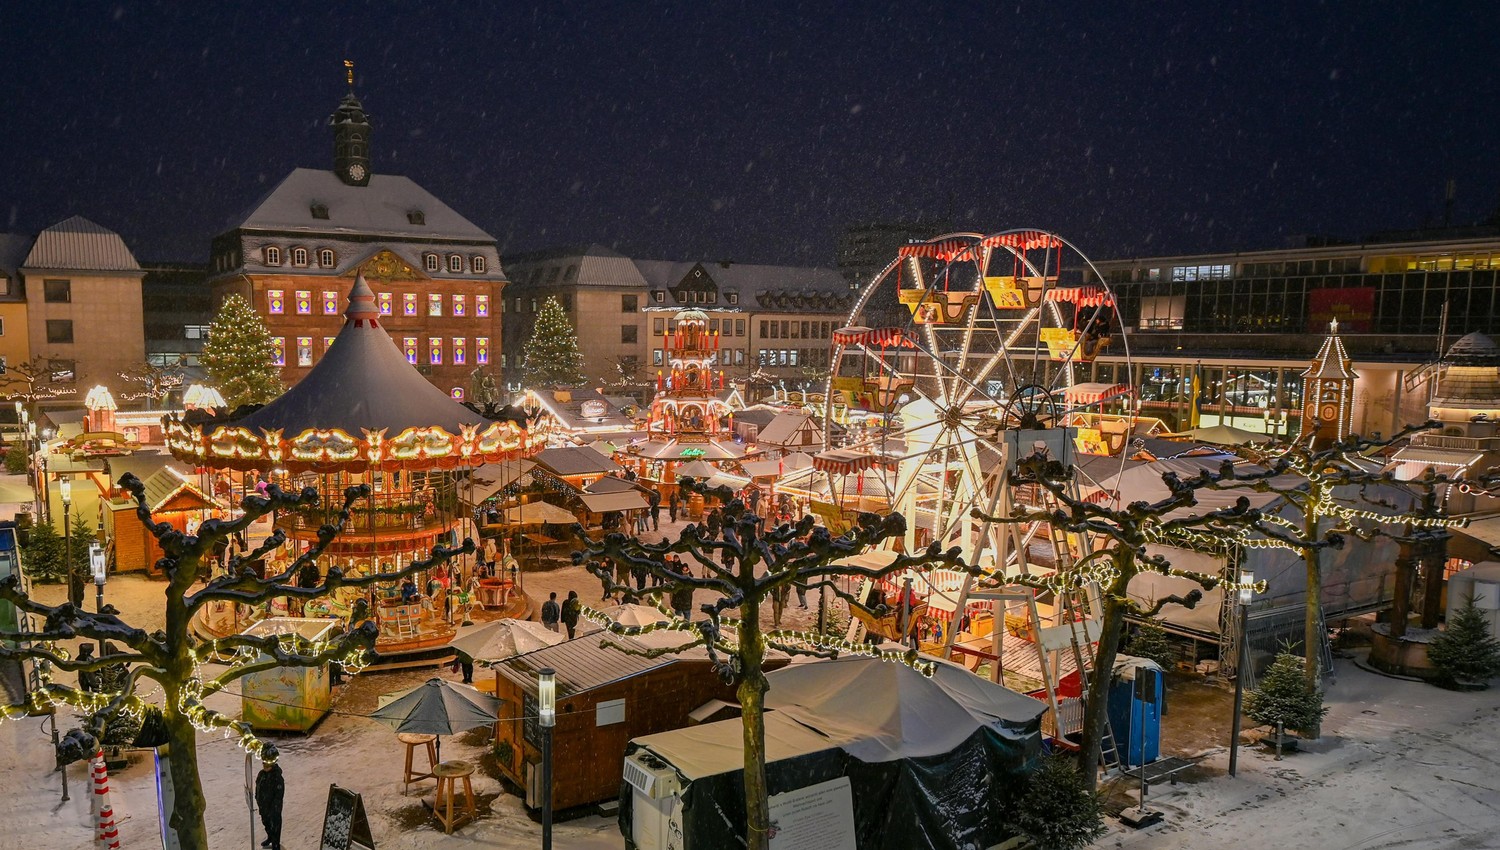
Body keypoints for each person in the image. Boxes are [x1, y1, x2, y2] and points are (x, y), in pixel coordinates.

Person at [255, 745, 285, 850]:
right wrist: (257, 797)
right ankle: (270, 837)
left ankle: (276, 843)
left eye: (267, 764)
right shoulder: (261, 774)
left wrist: (275, 808)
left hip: (273, 809)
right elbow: (258, 786)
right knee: (266, 823)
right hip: (263, 806)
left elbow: (279, 795)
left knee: (275, 826)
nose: (264, 766)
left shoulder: (277, 777)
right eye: (263, 764)